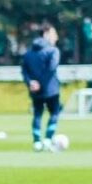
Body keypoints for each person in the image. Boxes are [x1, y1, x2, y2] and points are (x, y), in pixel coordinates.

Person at [21, 23, 61, 152]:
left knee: (37, 114)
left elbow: (24, 71)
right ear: (46, 34)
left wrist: (31, 83)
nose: (56, 37)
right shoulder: (53, 51)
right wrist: (41, 83)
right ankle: (48, 139)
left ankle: (37, 142)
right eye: (54, 34)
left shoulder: (28, 53)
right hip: (51, 89)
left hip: (35, 90)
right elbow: (51, 69)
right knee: (54, 113)